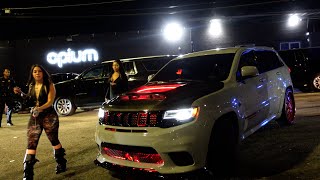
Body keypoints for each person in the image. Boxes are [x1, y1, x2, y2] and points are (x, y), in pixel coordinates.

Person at [16, 64, 67, 179]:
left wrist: (40, 108)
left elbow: (50, 102)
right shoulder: (31, 86)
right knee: (31, 142)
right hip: (35, 117)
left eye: (39, 71)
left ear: (43, 73)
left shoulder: (50, 85)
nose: (37, 73)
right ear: (32, 74)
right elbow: (29, 99)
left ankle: (61, 163)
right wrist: (20, 93)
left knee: (53, 140)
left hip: (49, 116)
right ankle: (27, 175)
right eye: (35, 71)